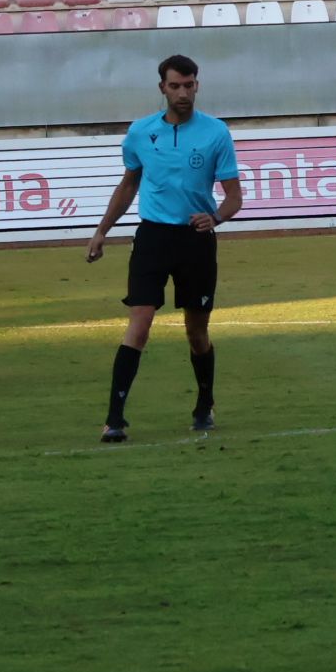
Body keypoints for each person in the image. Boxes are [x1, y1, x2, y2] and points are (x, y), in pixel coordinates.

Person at [84, 53, 243, 442]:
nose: (183, 92)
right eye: (175, 86)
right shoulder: (140, 133)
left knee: (196, 332)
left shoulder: (216, 133)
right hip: (153, 237)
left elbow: (234, 197)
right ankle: (114, 420)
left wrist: (216, 218)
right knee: (139, 324)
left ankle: (204, 404)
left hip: (196, 240)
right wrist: (102, 230)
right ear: (162, 88)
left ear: (197, 86)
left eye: (189, 85)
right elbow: (128, 185)